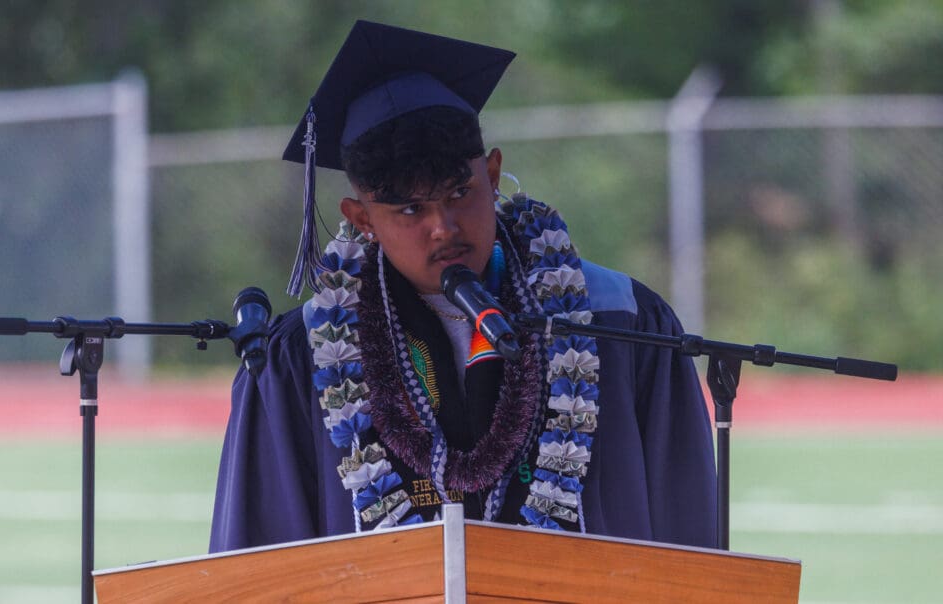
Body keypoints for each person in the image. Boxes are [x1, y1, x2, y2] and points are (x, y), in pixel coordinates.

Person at [209, 20, 716, 553]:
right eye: (410, 208)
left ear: (493, 174)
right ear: (361, 218)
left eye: (459, 192)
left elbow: (686, 529)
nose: (443, 227)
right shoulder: (304, 356)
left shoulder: (618, 321)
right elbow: (259, 554)